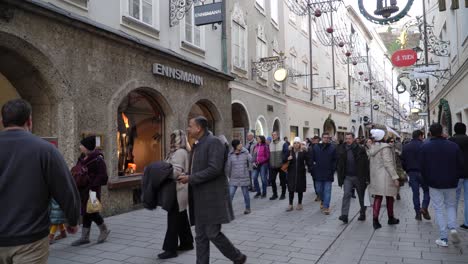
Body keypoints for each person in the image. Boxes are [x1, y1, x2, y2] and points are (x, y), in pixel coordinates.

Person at [0, 99, 80, 263]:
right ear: (29, 121)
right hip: (30, 240)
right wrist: (72, 219)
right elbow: (66, 189)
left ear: (2, 122)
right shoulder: (45, 150)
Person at [178, 116, 246, 264]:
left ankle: (237, 257)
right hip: (200, 198)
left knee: (212, 233)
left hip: (213, 198)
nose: (188, 129)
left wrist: (190, 178)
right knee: (200, 236)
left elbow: (214, 169)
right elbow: (200, 168)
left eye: (190, 126)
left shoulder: (213, 142)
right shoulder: (198, 144)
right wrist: (189, 175)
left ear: (199, 128)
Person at [420, 123, 464, 247]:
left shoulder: (425, 147)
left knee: (439, 209)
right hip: (451, 182)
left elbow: (422, 167)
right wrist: (455, 176)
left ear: (431, 133)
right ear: (442, 132)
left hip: (434, 183)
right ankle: (453, 228)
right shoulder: (453, 146)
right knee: (450, 205)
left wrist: (426, 179)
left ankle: (443, 238)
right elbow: (460, 164)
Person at [157, 130, 194, 259]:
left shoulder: (179, 153)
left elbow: (175, 172)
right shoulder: (181, 151)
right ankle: (187, 242)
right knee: (181, 217)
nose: (171, 140)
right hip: (180, 190)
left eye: (173, 138)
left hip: (176, 190)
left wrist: (160, 171)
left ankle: (170, 249)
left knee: (173, 219)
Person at [71, 136, 110, 246]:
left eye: (81, 145)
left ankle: (104, 230)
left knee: (92, 211)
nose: (80, 147)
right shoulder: (82, 157)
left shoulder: (98, 159)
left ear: (87, 147)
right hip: (82, 190)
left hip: (92, 191)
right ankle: (84, 237)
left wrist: (92, 184)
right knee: (85, 212)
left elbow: (103, 176)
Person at [367, 129, 400, 230]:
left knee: (378, 197)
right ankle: (390, 218)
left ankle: (375, 220)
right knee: (389, 197)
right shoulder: (385, 148)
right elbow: (388, 163)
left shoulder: (372, 147)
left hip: (376, 176)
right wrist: (395, 177)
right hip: (386, 176)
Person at [337, 133, 370, 223]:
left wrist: (367, 178)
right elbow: (339, 163)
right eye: (346, 138)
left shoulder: (360, 149)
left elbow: (366, 164)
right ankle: (344, 215)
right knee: (346, 194)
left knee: (361, 196)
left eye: (349, 138)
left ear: (353, 139)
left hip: (359, 176)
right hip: (347, 176)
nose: (348, 140)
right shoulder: (342, 149)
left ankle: (362, 213)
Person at [401, 130, 431, 221]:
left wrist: (407, 170)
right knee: (427, 191)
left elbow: (403, 160)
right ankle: (424, 207)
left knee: (415, 193)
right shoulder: (425, 145)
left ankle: (417, 213)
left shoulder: (406, 147)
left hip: (412, 172)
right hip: (423, 172)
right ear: (420, 136)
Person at [310, 133, 337, 215]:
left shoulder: (332, 148)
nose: (326, 139)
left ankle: (326, 207)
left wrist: (333, 169)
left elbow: (335, 160)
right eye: (324, 137)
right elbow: (311, 159)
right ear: (321, 138)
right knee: (319, 190)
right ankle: (322, 200)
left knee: (327, 191)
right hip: (318, 172)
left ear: (329, 139)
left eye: (327, 138)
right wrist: (313, 169)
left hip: (328, 173)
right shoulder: (316, 147)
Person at [449, 122, 468, 230]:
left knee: (454, 199)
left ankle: (453, 223)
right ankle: (467, 222)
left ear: (455, 130)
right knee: (467, 199)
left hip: (456, 174)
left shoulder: (451, 141)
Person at [226, 139, 252, 214]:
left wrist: (248, 153)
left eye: (241, 143)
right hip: (234, 177)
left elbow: (251, 160)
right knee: (230, 194)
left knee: (245, 194)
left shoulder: (245, 152)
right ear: (235, 146)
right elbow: (229, 166)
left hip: (244, 176)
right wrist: (229, 176)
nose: (241, 145)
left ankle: (248, 208)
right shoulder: (230, 154)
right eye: (239, 144)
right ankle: (228, 210)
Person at [285, 137, 309, 211]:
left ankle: (299, 203)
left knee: (300, 188)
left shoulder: (303, 151)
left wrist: (307, 151)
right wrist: (287, 158)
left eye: (297, 143)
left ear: (300, 144)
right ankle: (290, 204)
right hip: (291, 173)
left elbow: (308, 160)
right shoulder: (290, 151)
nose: (296, 144)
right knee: (291, 189)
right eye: (294, 143)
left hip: (300, 172)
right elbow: (283, 159)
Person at [269, 131, 289, 200]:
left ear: (278, 135)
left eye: (274, 135)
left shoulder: (283, 143)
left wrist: (282, 160)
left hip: (281, 165)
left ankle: (283, 194)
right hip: (273, 166)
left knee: (282, 181)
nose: (273, 136)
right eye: (272, 135)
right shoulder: (270, 144)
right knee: (272, 180)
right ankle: (275, 194)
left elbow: (286, 153)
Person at [309, 136, 321, 202]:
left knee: (318, 181)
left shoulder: (321, 147)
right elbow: (309, 158)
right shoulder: (310, 147)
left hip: (319, 167)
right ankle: (317, 193)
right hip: (313, 167)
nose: (315, 141)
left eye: (316, 140)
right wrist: (310, 167)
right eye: (314, 140)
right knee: (314, 180)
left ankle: (319, 194)